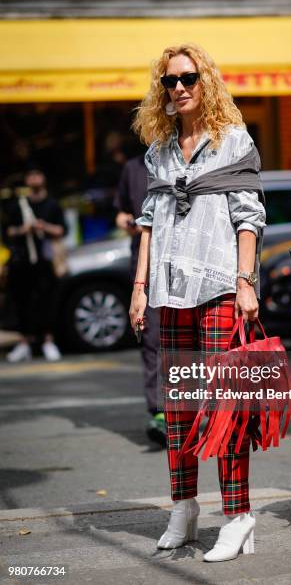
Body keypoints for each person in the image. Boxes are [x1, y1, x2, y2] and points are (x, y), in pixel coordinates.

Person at [129, 43, 266, 562]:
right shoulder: (159, 151)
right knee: (179, 407)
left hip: (220, 287)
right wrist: (139, 288)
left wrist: (246, 281)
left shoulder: (232, 141)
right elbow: (148, 223)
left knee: (227, 406)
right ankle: (184, 507)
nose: (179, 87)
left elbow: (249, 216)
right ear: (161, 90)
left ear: (205, 82)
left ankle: (238, 516)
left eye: (188, 78)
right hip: (170, 291)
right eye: (170, 81)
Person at [114, 156, 164, 446]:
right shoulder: (133, 167)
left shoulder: (186, 154)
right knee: (151, 337)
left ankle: (190, 410)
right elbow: (120, 213)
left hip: (183, 260)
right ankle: (159, 412)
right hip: (144, 262)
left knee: (188, 335)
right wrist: (129, 222)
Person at [5, 168, 66, 362]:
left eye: (37, 175)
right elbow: (8, 232)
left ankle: (48, 341)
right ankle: (25, 343)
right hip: (22, 262)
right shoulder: (18, 206)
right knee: (22, 302)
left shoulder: (52, 205)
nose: (34, 179)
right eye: (30, 176)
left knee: (47, 302)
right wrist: (24, 230)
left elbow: (62, 230)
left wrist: (42, 226)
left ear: (44, 178)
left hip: (46, 262)